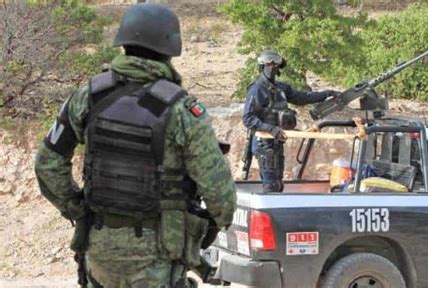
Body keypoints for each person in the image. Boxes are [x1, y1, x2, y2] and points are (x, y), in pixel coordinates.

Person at [35, 3, 236, 288]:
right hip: (158, 255)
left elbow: (47, 163)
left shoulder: (88, 95)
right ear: (170, 48)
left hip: (99, 248)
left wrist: (76, 207)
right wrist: (209, 226)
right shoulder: (182, 109)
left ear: (124, 42)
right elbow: (221, 196)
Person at [243, 50, 341, 192]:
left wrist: (327, 94)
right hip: (264, 142)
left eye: (275, 64)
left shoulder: (281, 88)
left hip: (277, 142)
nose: (272, 67)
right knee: (271, 185)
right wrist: (271, 129)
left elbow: (304, 97)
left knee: (278, 183)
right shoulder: (257, 90)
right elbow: (248, 118)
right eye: (269, 64)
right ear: (262, 66)